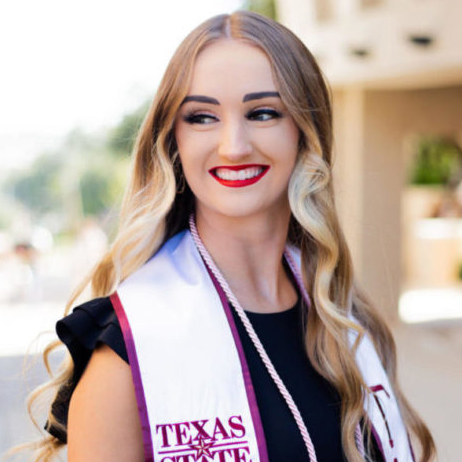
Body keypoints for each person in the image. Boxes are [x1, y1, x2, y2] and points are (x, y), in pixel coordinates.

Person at [28, 11, 435, 462]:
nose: (234, 145)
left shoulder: (344, 322)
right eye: (202, 117)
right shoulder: (128, 349)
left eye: (263, 113)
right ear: (173, 141)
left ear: (304, 132)